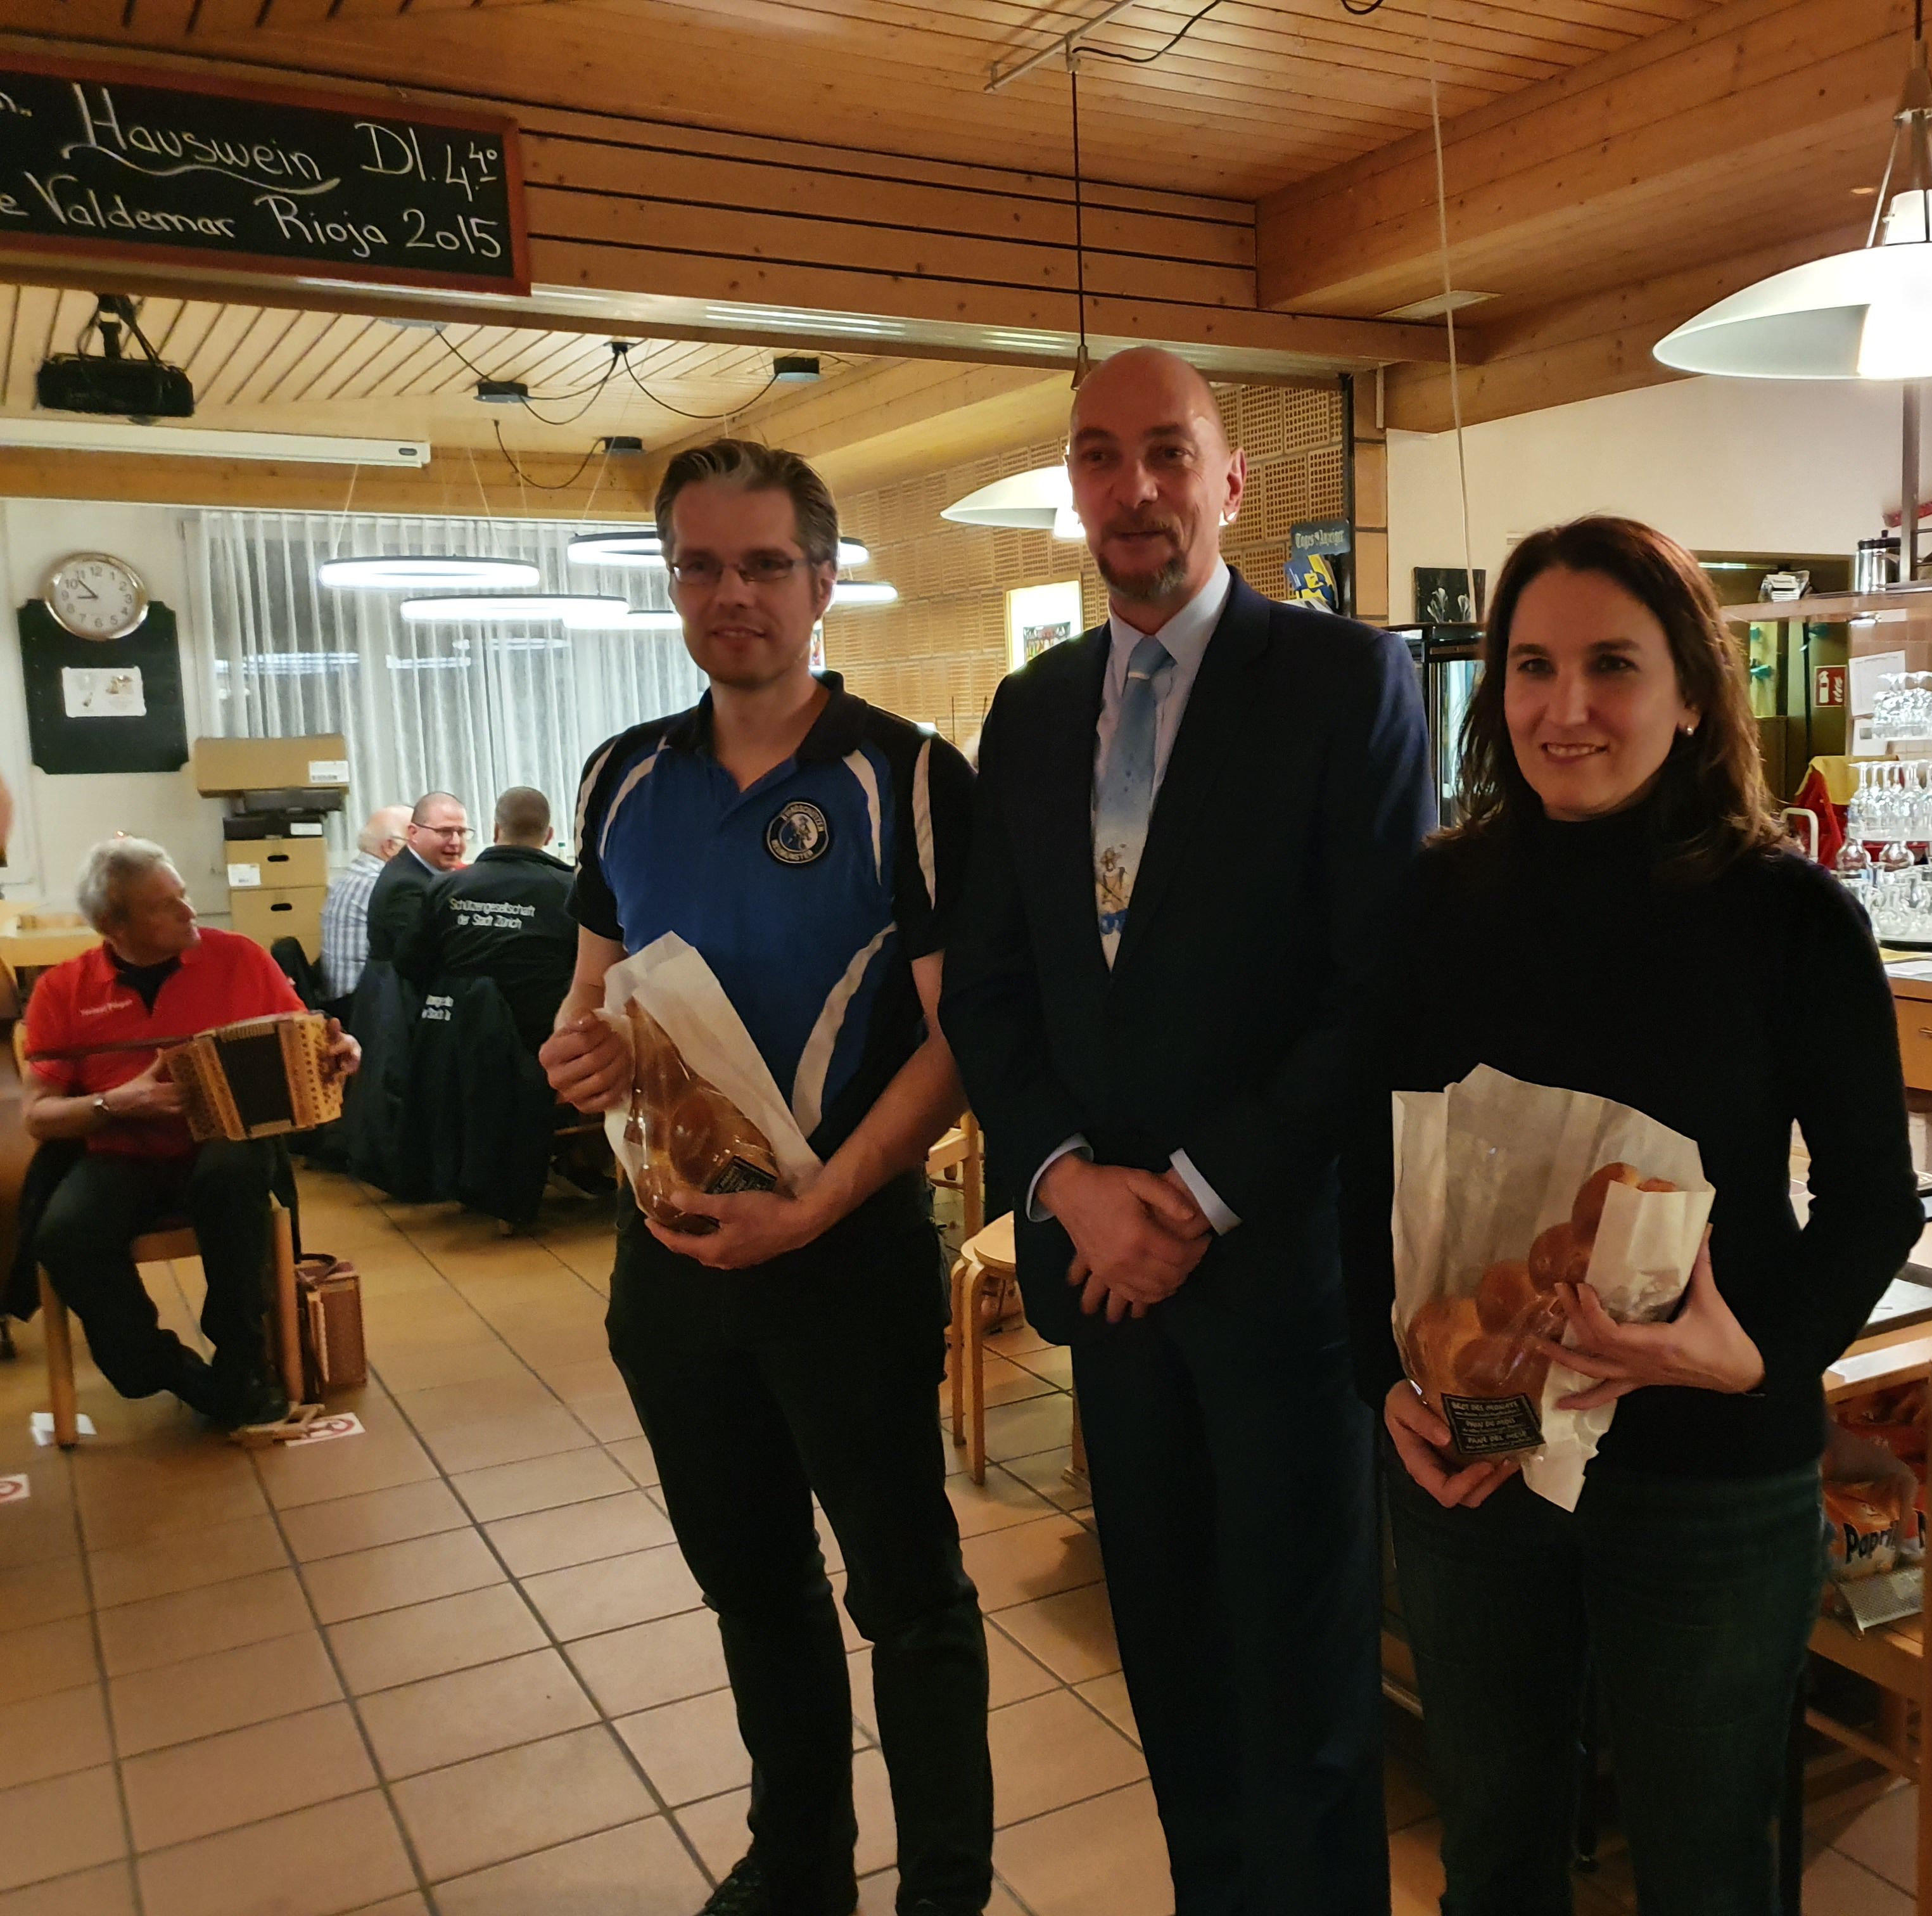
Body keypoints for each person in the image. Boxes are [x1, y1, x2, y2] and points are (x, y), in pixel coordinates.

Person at [1347, 518, 1924, 1915]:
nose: (1568, 706)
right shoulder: (1433, 899)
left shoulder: (1790, 918)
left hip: (1709, 1459)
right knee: (1493, 1857)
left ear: (1691, 693)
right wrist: (1387, 1385)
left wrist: (1756, 1354)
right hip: (1489, 1433)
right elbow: (1364, 1171)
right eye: (1532, 665)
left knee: (1708, 1868)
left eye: (1612, 663)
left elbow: (1872, 1201)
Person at [941, 346, 1431, 1916]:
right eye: (1100, 456)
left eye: (1168, 452)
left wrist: (1200, 1196)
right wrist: (1070, 1186)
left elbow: (1377, 991)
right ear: (1073, 489)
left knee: (1307, 1696)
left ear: (1230, 480)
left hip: (1281, 1272)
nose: (1135, 487)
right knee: (1167, 1661)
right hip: (1104, 1283)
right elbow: (993, 993)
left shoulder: (1345, 682)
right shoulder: (1031, 713)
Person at [541, 440, 989, 1916]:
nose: (730, 593)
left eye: (763, 565)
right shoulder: (622, 777)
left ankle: (945, 1892)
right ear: (673, 580)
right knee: (753, 1581)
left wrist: (820, 1204)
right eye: (700, 565)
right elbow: (593, 992)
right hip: (671, 1265)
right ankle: (799, 1863)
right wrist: (575, 1051)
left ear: (822, 580)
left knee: (908, 1598)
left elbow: (963, 1041)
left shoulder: (906, 779)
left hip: (845, 1258)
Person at [22, 838, 360, 1429]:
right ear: (113, 925)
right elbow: (37, 1116)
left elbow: (308, 1044)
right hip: (122, 1152)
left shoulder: (240, 958)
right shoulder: (63, 989)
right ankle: (165, 1369)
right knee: (65, 1234)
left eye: (182, 895)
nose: (188, 911)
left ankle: (241, 1360)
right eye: (164, 906)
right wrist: (115, 1103)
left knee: (231, 1176)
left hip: (226, 1141)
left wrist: (340, 1051)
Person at [396, 786, 576, 1053]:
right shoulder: (570, 890)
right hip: (542, 1044)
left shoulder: (446, 887)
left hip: (459, 1041)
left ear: (495, 830)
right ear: (549, 836)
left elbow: (408, 963)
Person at [319, 803, 412, 1003]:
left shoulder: (346, 878)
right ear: (390, 846)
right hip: (368, 1005)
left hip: (343, 1000)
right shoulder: (382, 885)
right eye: (414, 840)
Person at [367, 791, 469, 962]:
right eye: (445, 832)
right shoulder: (406, 885)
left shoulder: (426, 871)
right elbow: (420, 958)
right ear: (413, 833)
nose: (455, 842)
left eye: (462, 833)